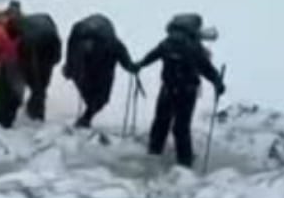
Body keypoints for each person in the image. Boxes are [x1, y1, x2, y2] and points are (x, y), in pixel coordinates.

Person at [135, 14, 226, 167]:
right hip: (187, 91)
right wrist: (218, 83)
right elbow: (207, 69)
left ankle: (154, 152)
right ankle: (184, 161)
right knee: (181, 127)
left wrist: (138, 65)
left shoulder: (167, 43)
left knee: (160, 122)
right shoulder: (193, 47)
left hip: (168, 89)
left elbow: (152, 56)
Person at [63, 14, 138, 128]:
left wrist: (130, 66)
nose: (86, 46)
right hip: (84, 69)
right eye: (84, 43)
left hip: (104, 69)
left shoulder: (110, 43)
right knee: (88, 94)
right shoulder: (76, 39)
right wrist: (69, 68)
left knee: (102, 99)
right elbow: (70, 53)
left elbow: (121, 52)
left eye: (89, 43)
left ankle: (87, 116)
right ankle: (87, 115)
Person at [15, 13, 61, 121]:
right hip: (47, 44)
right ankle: (37, 109)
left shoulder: (24, 23)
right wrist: (55, 59)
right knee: (42, 82)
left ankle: (35, 110)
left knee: (35, 82)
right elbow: (56, 45)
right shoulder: (47, 20)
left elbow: (18, 46)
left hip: (32, 44)